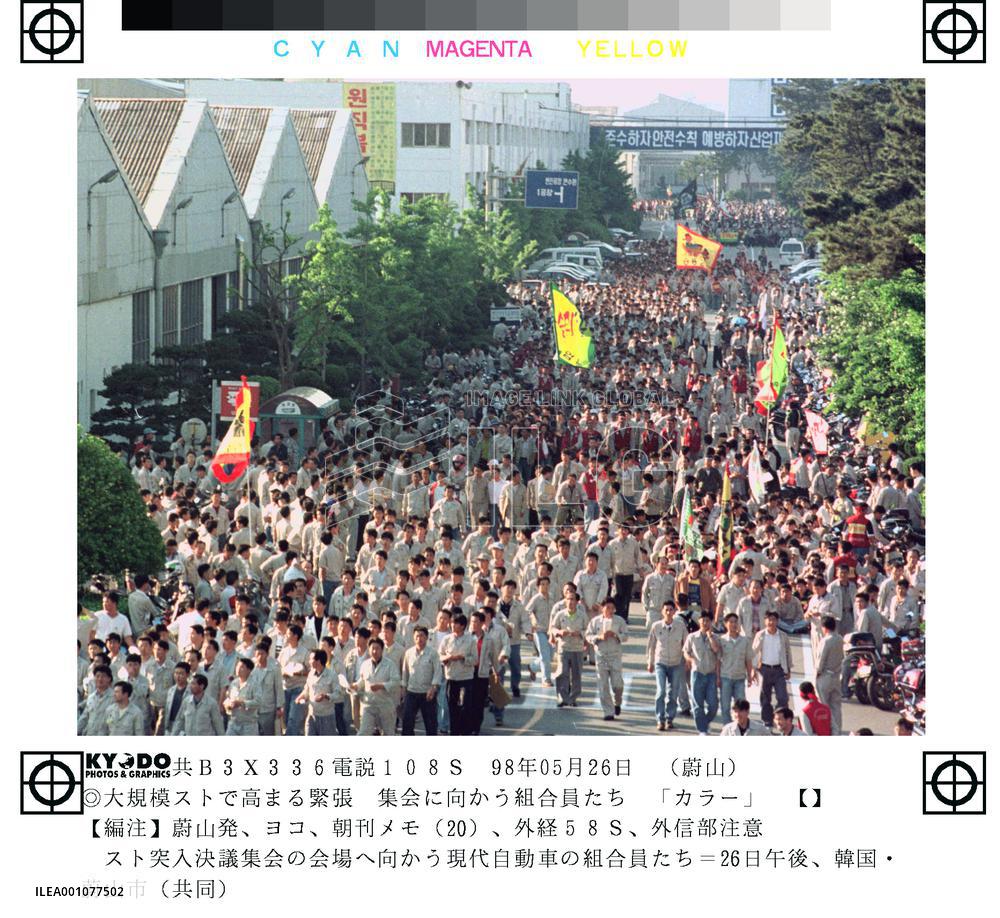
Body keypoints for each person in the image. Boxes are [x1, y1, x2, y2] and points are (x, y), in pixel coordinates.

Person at [647, 600, 687, 731]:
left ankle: (670, 718)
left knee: (673, 693)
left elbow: (686, 645)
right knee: (661, 691)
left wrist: (687, 661)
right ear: (662, 612)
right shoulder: (656, 626)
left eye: (671, 610)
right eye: (666, 610)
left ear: (675, 611)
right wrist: (650, 662)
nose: (669, 612)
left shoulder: (680, 626)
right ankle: (660, 719)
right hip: (661, 662)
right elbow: (651, 646)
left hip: (676, 663)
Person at [586, 598, 629, 721]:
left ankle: (618, 702)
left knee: (617, 685)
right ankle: (608, 712)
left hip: (615, 656)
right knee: (603, 685)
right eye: (607, 607)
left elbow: (626, 635)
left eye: (612, 608)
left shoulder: (619, 620)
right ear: (602, 608)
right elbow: (588, 636)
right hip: (601, 655)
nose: (610, 610)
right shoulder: (595, 622)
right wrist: (599, 637)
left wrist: (616, 635)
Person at [549, 583, 588, 708]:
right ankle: (562, 697)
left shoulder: (582, 615)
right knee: (562, 673)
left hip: (577, 648)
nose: (570, 602)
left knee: (576, 675)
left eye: (573, 599)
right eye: (568, 599)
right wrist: (559, 632)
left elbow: (588, 630)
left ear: (577, 602)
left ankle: (573, 698)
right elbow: (553, 628)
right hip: (564, 648)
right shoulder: (560, 615)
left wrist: (580, 633)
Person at [752, 611, 792, 729]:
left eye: (774, 619)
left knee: (783, 697)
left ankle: (780, 719)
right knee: (765, 698)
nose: (771, 622)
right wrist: (753, 669)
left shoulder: (783, 636)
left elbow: (787, 653)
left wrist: (788, 669)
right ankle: (767, 722)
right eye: (769, 620)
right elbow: (754, 653)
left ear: (777, 621)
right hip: (764, 669)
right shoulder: (760, 635)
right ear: (765, 621)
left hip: (779, 670)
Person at [683, 612, 721, 735]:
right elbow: (685, 651)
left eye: (708, 620)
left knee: (713, 705)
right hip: (697, 673)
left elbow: (717, 651)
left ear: (711, 622)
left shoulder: (715, 637)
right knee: (697, 705)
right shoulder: (692, 637)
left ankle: (705, 722)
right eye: (703, 620)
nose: (705, 623)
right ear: (699, 621)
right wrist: (690, 659)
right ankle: (702, 730)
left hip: (711, 674)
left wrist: (710, 637)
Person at [401, 626, 443, 735]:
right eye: (417, 636)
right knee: (407, 722)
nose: (419, 639)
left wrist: (433, 688)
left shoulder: (433, 653)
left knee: (430, 724)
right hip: (411, 692)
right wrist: (403, 689)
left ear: (427, 637)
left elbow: (438, 672)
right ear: (413, 637)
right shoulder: (409, 653)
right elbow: (405, 672)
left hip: (427, 693)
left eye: (422, 636)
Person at [355, 637, 401, 736]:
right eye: (373, 648)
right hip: (369, 705)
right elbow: (362, 681)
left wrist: (381, 686)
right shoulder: (365, 664)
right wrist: (355, 686)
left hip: (385, 705)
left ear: (382, 649)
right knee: (363, 733)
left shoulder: (390, 665)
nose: (375, 651)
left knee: (388, 734)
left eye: (377, 648)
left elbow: (396, 682)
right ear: (369, 649)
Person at [717, 612, 753, 725]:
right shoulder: (721, 640)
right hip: (725, 677)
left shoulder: (745, 641)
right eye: (731, 622)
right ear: (725, 624)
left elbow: (748, 660)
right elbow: (718, 661)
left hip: (739, 678)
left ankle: (741, 727)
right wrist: (718, 677)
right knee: (725, 705)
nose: (733, 624)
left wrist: (750, 675)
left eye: (735, 622)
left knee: (741, 705)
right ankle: (727, 728)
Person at [298, 649, 339, 736]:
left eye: (311, 659)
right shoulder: (311, 674)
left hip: (326, 717)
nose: (309, 661)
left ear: (318, 661)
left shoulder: (332, 675)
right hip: (312, 715)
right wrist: (301, 697)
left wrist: (325, 696)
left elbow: (338, 694)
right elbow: (307, 690)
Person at [814, 616, 844, 735]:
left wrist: (817, 674)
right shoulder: (839, 638)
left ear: (824, 628)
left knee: (824, 706)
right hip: (836, 675)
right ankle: (838, 731)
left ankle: (827, 730)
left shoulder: (825, 641)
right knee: (836, 706)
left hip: (825, 676)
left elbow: (820, 660)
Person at [224, 658, 261, 736]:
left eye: (242, 667)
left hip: (249, 725)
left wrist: (242, 703)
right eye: (237, 666)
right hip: (233, 723)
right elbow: (228, 698)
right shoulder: (234, 683)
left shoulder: (255, 684)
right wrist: (228, 705)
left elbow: (258, 702)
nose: (238, 669)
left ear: (249, 670)